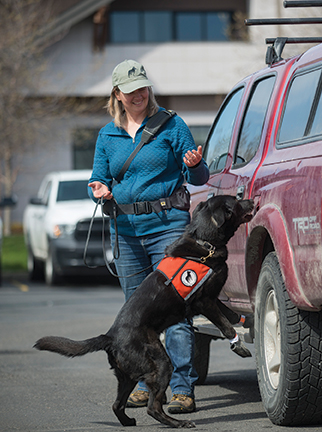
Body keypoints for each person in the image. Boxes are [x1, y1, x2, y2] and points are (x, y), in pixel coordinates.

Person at [88, 59, 209, 414]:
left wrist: (194, 163)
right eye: (132, 90)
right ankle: (145, 382)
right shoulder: (107, 135)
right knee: (137, 315)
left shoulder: (172, 125)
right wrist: (98, 188)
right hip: (125, 232)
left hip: (169, 227)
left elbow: (199, 177)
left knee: (176, 308)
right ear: (118, 95)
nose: (140, 94)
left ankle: (183, 388)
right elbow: (99, 177)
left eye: (143, 87)